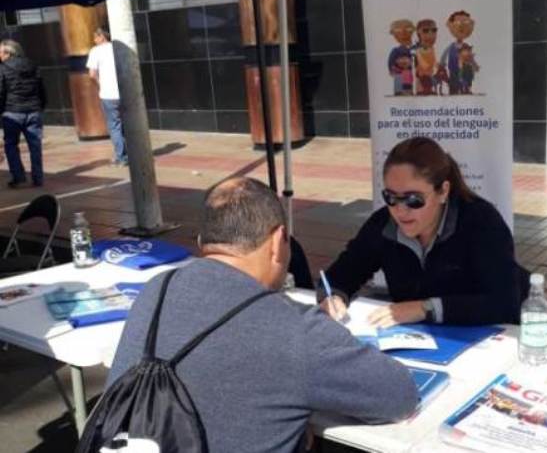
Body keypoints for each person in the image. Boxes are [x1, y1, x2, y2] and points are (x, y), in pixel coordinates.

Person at [108, 177, 418, 452]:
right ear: (277, 243)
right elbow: (399, 396)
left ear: (203, 243)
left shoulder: (156, 289)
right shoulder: (295, 329)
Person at [320, 137, 528, 327]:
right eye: (391, 197)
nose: (400, 210)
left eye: (413, 199)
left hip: (494, 336)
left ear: (443, 191)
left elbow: (504, 302)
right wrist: (334, 297)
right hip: (421, 339)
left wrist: (424, 308)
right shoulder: (383, 225)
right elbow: (340, 274)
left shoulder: (481, 222)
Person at [0, 39, 46, 188]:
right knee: (35, 145)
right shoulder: (33, 65)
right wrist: (41, 106)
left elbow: (1, 92)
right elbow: (41, 88)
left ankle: (18, 176)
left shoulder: (3, 68)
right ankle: (38, 178)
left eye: (0, 52)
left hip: (12, 112)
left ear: (8, 52)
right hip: (33, 111)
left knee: (11, 145)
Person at [86, 28, 127, 166]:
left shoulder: (96, 51)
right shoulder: (117, 48)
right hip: (124, 92)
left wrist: (100, 84)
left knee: (114, 125)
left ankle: (121, 157)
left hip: (108, 94)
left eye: (95, 37)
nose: (94, 40)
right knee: (125, 124)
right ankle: (127, 154)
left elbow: (91, 74)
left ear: (101, 36)